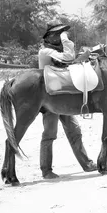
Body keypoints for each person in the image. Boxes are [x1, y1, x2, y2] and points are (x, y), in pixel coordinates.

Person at [38, 23, 97, 179]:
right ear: (50, 37)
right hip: (50, 100)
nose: (60, 37)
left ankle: (87, 164)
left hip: (63, 98)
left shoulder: (56, 51)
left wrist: (83, 58)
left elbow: (69, 65)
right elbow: (68, 58)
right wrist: (66, 40)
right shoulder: (45, 51)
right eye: (58, 34)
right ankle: (46, 170)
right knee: (49, 134)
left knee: (75, 131)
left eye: (61, 34)